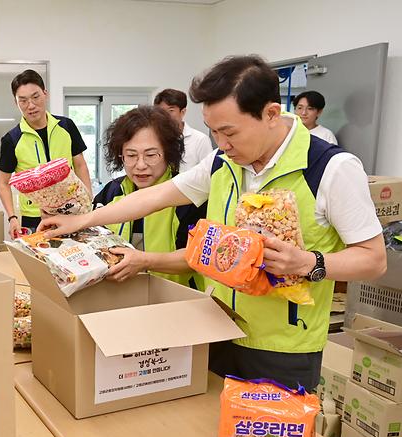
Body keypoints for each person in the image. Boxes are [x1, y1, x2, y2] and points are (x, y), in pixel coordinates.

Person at [40, 56, 386, 391]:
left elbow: (373, 259)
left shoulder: (330, 168)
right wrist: (81, 220)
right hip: (216, 327)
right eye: (214, 132)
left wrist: (309, 262)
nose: (221, 144)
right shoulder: (222, 163)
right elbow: (154, 197)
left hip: (283, 347)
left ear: (270, 114)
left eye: (229, 132)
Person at [92, 106, 206, 288]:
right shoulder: (113, 191)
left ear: (168, 153)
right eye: (130, 155)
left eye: (151, 155)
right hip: (118, 297)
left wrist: (145, 261)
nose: (140, 165)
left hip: (174, 300)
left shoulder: (187, 197)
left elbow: (198, 258)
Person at [0, 69, 92, 237]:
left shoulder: (66, 126)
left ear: (45, 94)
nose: (31, 105)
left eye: (35, 97)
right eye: (23, 100)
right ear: (16, 102)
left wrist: (88, 201)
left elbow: (80, 165)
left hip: (71, 210)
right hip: (34, 217)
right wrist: (12, 217)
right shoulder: (11, 139)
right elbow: (3, 182)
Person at [154, 88, 214, 171]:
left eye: (171, 110)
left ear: (183, 112)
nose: (165, 115)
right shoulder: (153, 137)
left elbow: (209, 171)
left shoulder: (200, 140)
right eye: (161, 111)